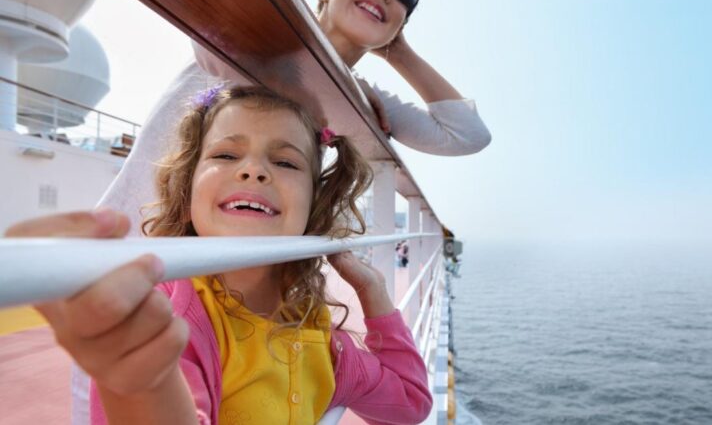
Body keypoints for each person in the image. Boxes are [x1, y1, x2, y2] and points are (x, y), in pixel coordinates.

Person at [8, 85, 432, 424]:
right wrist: (140, 378)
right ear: (189, 184)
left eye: (285, 162)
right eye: (226, 155)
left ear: (316, 202)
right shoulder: (176, 322)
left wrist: (373, 291)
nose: (253, 170)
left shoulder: (319, 338)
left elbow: (411, 403)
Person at [100, 0, 492, 236]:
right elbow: (214, 17)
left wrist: (396, 50)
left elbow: (466, 135)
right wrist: (323, 93)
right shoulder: (266, 22)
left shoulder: (360, 92)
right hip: (131, 237)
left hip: (224, 262)